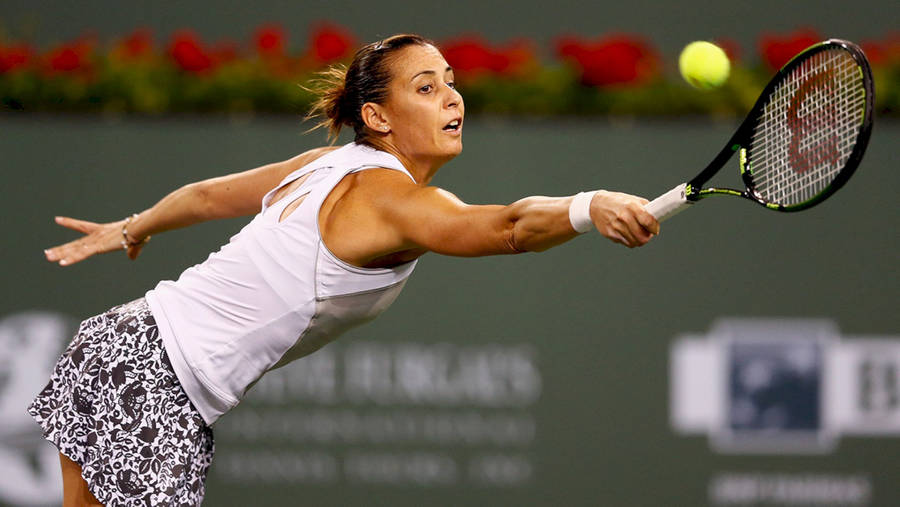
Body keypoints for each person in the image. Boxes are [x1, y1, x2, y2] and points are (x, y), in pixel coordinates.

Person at [29, 34, 659, 506]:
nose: (451, 96)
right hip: (154, 380)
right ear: (378, 117)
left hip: (117, 344)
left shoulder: (325, 162)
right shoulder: (394, 198)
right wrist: (589, 205)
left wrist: (133, 226)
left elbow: (206, 196)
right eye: (425, 87)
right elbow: (509, 227)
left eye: (448, 81)